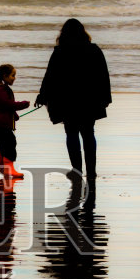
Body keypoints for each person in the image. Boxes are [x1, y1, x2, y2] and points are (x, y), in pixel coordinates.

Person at [34, 17, 111, 179]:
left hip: (66, 100)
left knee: (71, 133)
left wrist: (43, 95)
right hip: (89, 100)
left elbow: (50, 76)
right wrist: (106, 97)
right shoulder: (94, 50)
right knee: (89, 133)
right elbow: (103, 76)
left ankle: (76, 170)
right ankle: (91, 170)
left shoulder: (60, 51)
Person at [0, 63, 30, 180]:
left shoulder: (2, 89)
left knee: (5, 144)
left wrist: (14, 115)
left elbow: (5, 107)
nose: (15, 78)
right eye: (13, 75)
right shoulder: (0, 89)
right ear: (5, 76)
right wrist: (22, 105)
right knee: (10, 143)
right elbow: (7, 104)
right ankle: (8, 169)